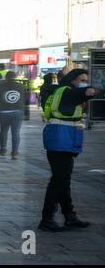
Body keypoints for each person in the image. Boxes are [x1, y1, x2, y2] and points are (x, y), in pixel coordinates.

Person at [39, 69, 96, 232]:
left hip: (61, 139)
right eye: (81, 79)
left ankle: (69, 215)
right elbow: (78, 94)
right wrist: (88, 91)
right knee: (59, 180)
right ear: (73, 79)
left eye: (86, 80)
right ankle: (47, 219)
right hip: (61, 140)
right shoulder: (67, 91)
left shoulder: (60, 90)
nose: (83, 82)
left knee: (63, 180)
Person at [0, 71, 27, 160]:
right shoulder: (21, 86)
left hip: (3, 112)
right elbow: (25, 99)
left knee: (3, 131)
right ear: (15, 77)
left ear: (6, 78)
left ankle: (3, 150)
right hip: (17, 112)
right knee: (16, 132)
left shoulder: (0, 86)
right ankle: (15, 153)